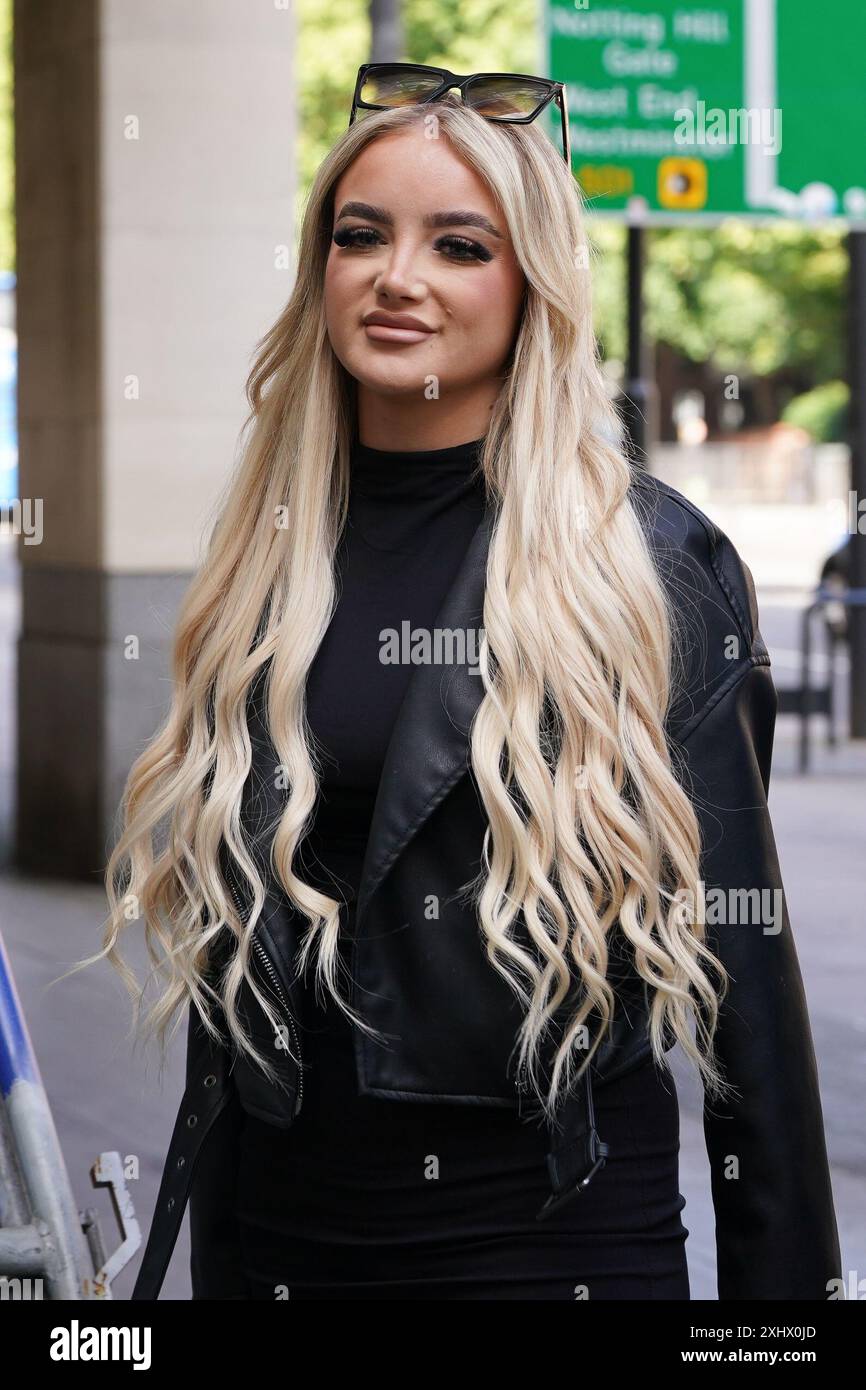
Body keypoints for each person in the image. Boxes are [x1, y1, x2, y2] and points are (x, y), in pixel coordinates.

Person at [93, 66, 840, 1300]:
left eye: (458, 244)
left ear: (529, 284)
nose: (397, 276)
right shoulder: (269, 549)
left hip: (546, 1250)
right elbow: (241, 987)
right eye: (360, 234)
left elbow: (743, 989)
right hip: (292, 1242)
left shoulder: (643, 563)